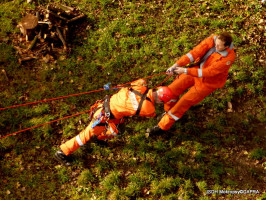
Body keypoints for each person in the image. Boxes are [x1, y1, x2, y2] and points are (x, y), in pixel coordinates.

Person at [55, 79, 176, 165]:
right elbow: (153, 114)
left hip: (106, 106)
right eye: (162, 102)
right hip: (103, 115)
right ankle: (62, 151)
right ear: (160, 100)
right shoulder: (148, 108)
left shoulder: (141, 84)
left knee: (118, 130)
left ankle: (99, 137)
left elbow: (136, 83)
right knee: (85, 136)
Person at [147, 32, 235, 135]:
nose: (215, 46)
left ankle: (162, 126)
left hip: (207, 83)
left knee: (183, 102)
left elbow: (208, 72)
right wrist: (176, 65)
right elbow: (194, 53)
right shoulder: (213, 40)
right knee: (171, 90)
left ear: (226, 46)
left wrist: (185, 71)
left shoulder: (227, 59)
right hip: (196, 70)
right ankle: (168, 111)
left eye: (219, 46)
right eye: (216, 43)